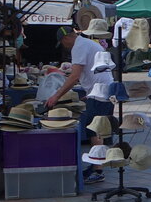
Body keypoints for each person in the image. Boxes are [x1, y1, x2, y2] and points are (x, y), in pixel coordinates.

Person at [47, 23, 110, 184]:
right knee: (94, 129)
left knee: (95, 131)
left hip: (100, 92)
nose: (64, 47)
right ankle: (96, 164)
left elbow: (75, 76)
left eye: (62, 43)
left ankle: (99, 170)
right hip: (99, 91)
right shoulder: (86, 43)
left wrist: (56, 96)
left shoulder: (79, 46)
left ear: (66, 38)